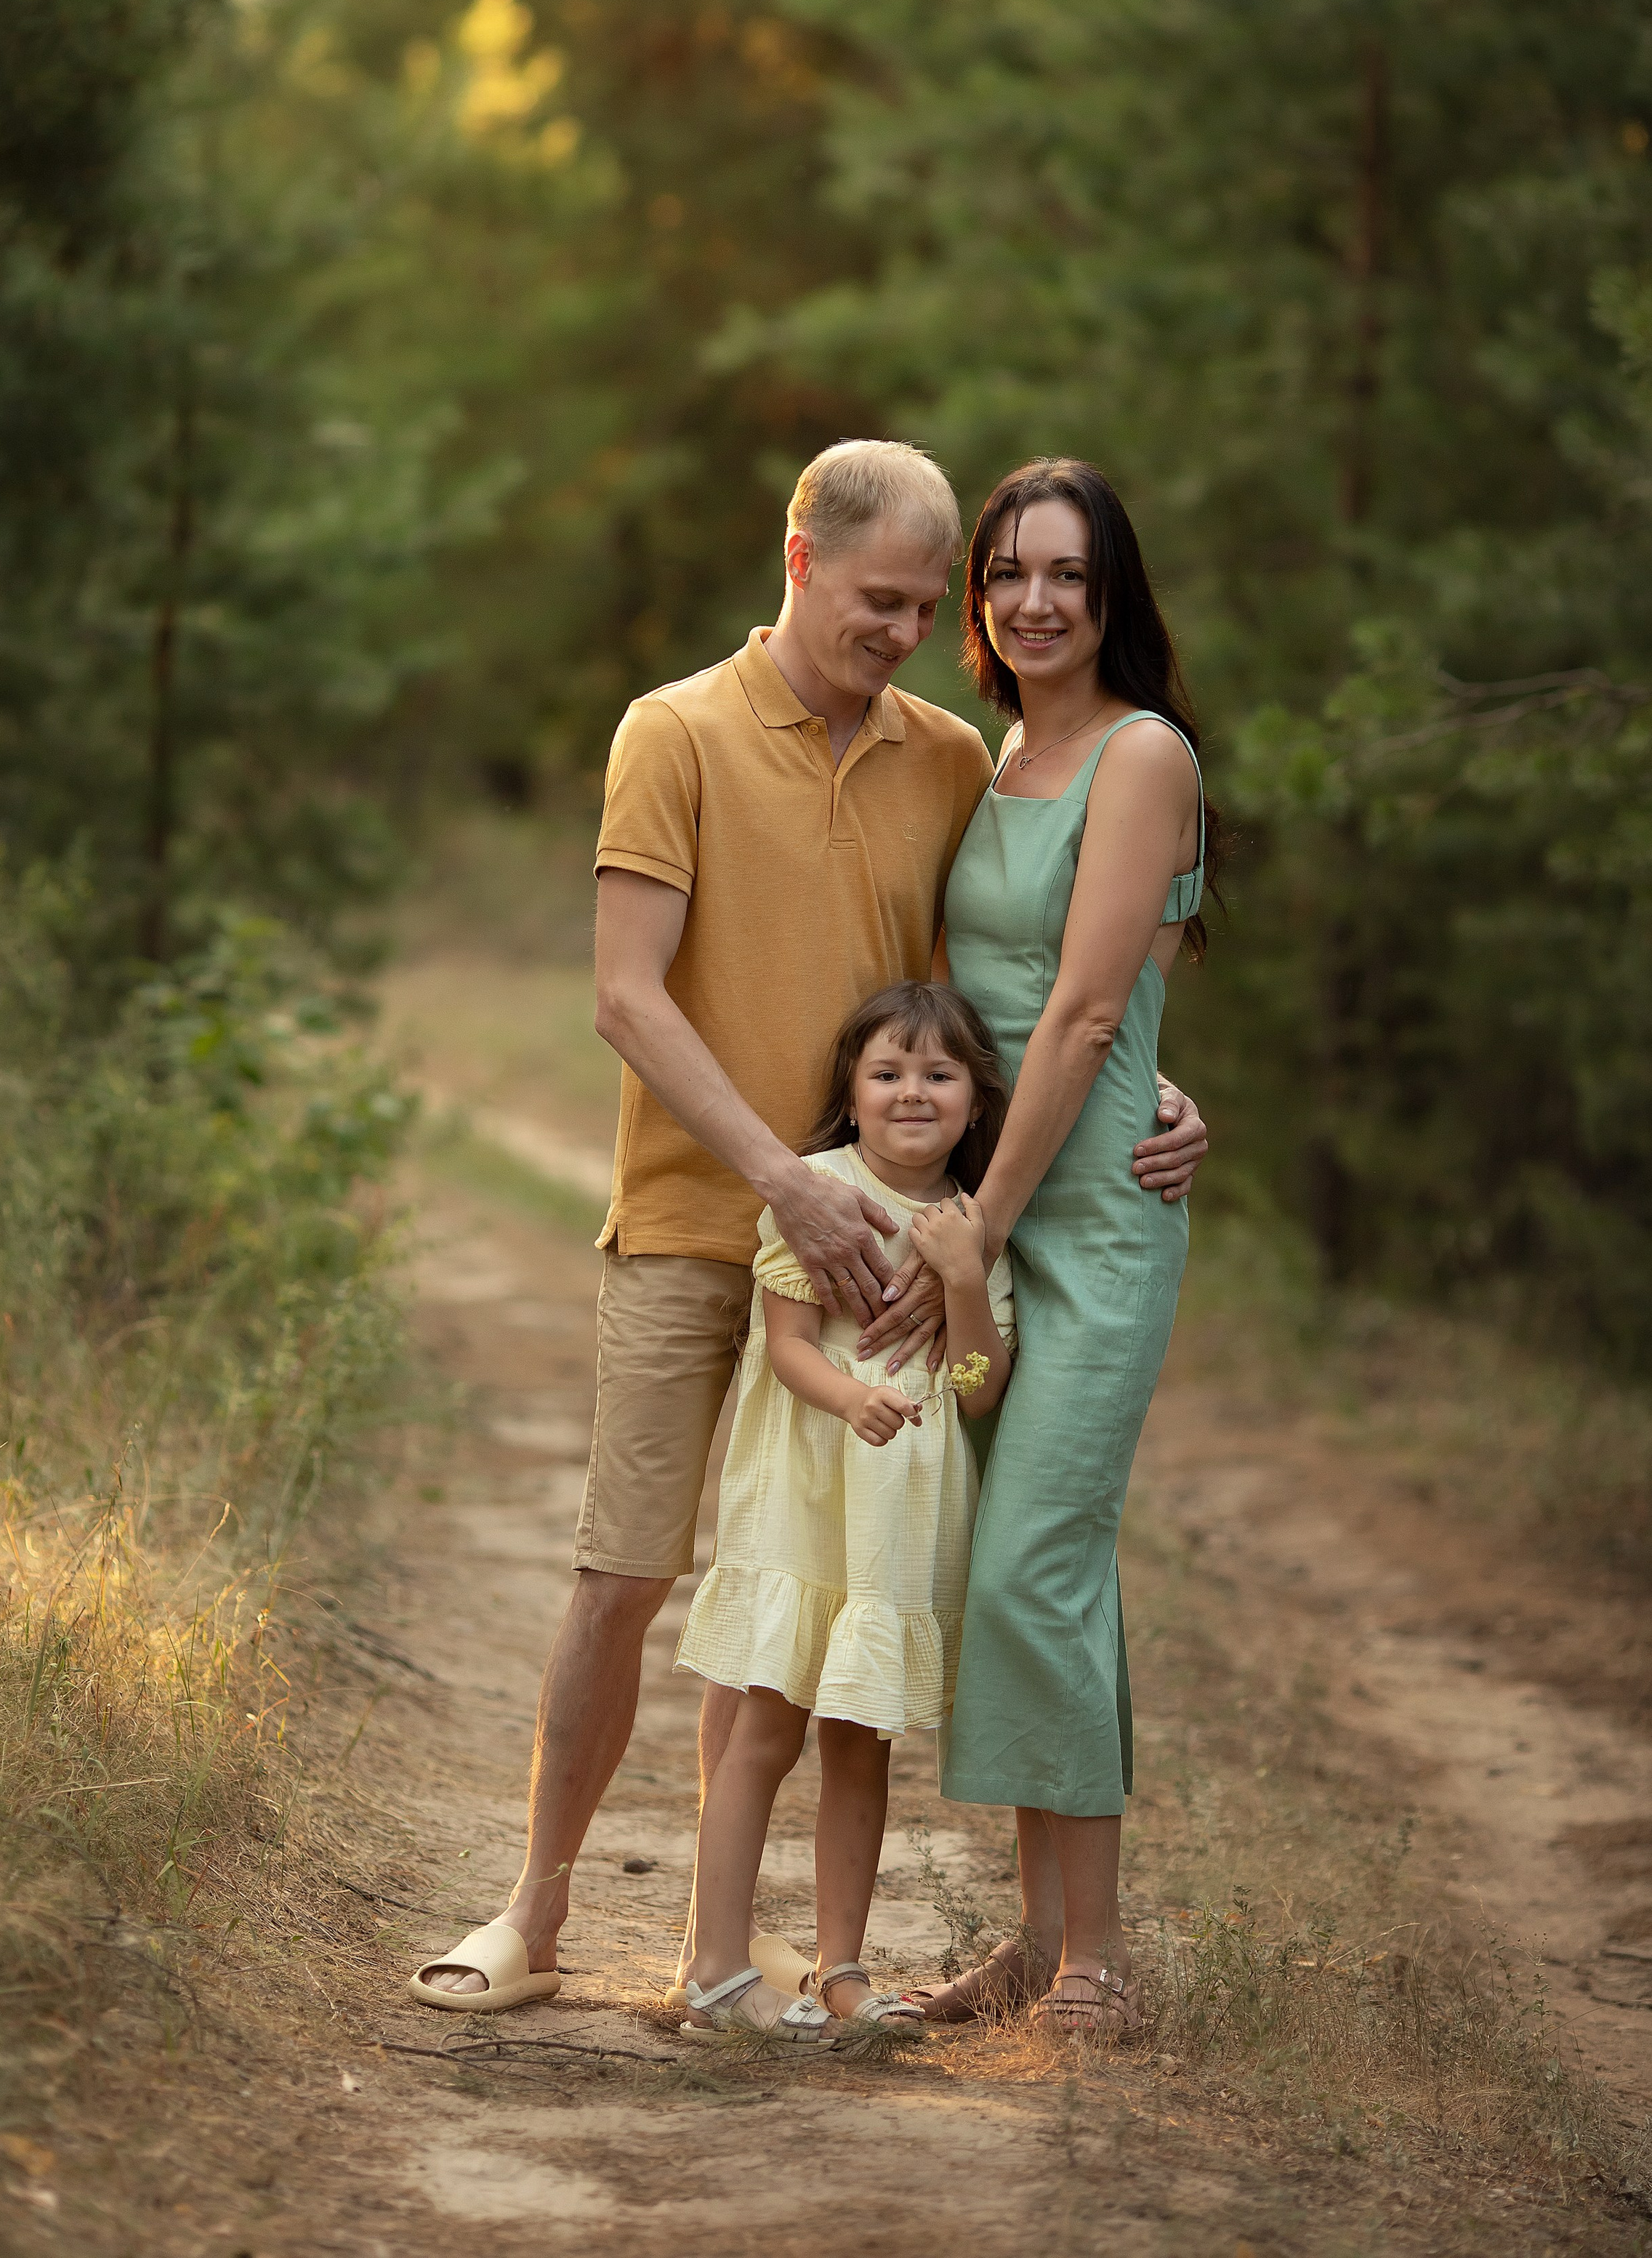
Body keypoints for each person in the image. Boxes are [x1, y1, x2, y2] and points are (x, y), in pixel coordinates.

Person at [409, 439, 1209, 2015]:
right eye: (883, 598)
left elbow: (1016, 989)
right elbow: (624, 998)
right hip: (706, 1214)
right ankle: (535, 1911)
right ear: (796, 559)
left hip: (888, 1250)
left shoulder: (941, 759)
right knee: (625, 1575)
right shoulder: (675, 732)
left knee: (803, 1592)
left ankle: (756, 1953)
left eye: (927, 604)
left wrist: (1154, 1087)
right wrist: (788, 1178)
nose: (908, 630)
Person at [908, 456, 1222, 2041]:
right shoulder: (997, 761)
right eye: (1007, 572)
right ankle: (1032, 1943)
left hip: (1080, 1218)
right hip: (991, 1203)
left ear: (1111, 600)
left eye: (1067, 576)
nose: (1034, 601)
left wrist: (991, 1218)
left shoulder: (1139, 754)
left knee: (1041, 1558)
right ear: (978, 597)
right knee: (1001, 1573)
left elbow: (1099, 1009)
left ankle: (1095, 1952)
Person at [673, 982, 1015, 2041]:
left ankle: (843, 1971)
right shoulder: (817, 1189)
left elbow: (978, 1386)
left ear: (973, 1099)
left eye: (939, 1073)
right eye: (888, 1072)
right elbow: (782, 1348)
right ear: (852, 1092)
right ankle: (719, 1967)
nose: (913, 1091)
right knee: (764, 1730)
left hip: (898, 1521)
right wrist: (854, 1394)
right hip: (809, 1498)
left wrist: (965, 1277)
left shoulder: (974, 1221)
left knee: (861, 1744)